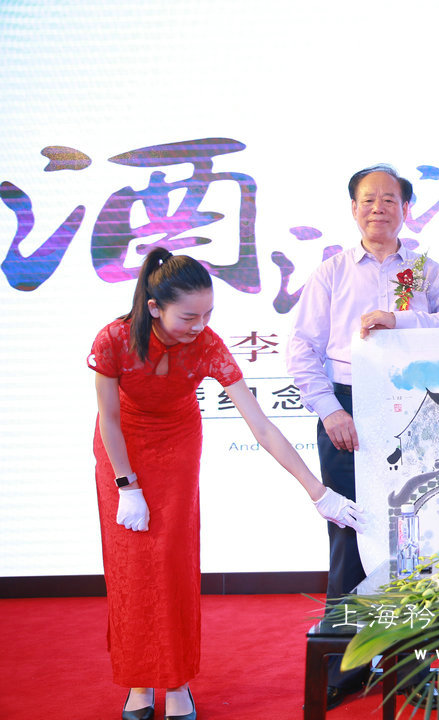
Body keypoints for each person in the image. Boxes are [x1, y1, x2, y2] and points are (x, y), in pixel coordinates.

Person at [90, 249, 365, 720]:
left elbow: (262, 427)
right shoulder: (114, 339)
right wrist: (126, 485)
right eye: (189, 317)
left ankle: (176, 680)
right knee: (131, 567)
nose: (200, 325)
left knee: (173, 563)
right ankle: (139, 680)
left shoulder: (206, 344)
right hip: (122, 450)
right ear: (154, 307)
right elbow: (109, 419)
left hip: (176, 446)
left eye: (208, 314)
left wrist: (317, 492)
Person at [286, 164, 439, 709]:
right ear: (353, 208)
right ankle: (345, 665)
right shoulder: (331, 272)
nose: (378, 208)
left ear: (405, 209)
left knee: (415, 533)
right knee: (349, 534)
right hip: (347, 409)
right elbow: (301, 348)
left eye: (389, 199)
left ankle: (412, 666)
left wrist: (403, 320)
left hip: (414, 407)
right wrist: (330, 411)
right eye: (368, 199)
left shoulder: (424, 270)